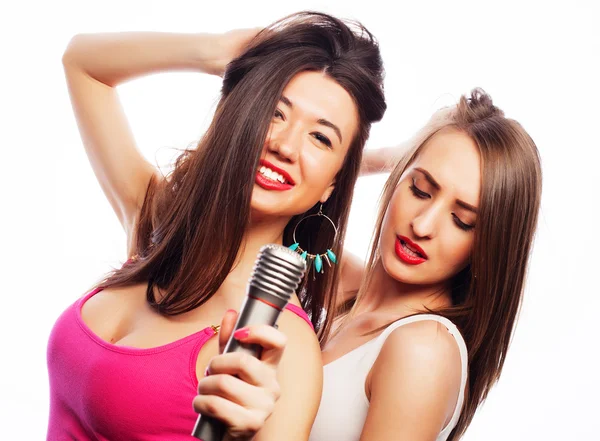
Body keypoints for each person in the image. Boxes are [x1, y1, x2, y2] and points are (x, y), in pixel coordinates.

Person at [47, 11, 385, 441]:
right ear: (237, 115)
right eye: (274, 112)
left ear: (333, 185)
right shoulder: (158, 223)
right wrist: (215, 50)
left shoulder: (283, 345)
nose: (282, 145)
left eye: (321, 138)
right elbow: (82, 63)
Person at [308, 88, 542, 440]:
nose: (423, 225)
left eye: (462, 221)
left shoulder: (423, 349)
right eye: (419, 189)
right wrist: (386, 157)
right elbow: (241, 195)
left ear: (488, 246)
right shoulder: (341, 283)